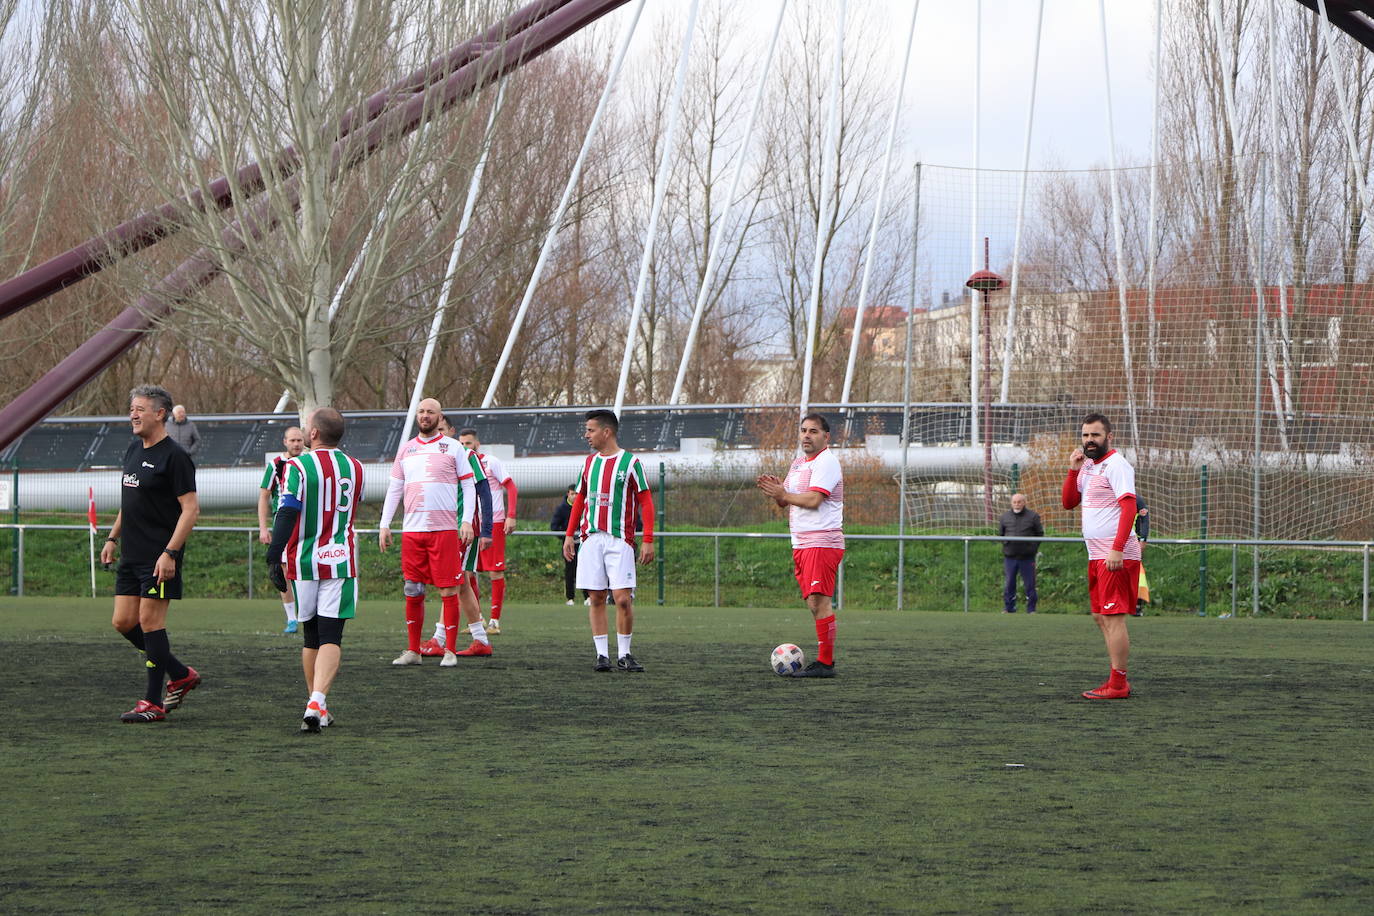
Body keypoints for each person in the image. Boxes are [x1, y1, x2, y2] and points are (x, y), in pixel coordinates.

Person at [99, 385, 201, 723]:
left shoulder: (175, 457)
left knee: (150, 622)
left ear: (160, 414)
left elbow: (190, 510)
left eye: (140, 408)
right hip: (132, 554)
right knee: (123, 622)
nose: (133, 414)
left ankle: (152, 702)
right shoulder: (132, 449)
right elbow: (131, 502)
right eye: (132, 408)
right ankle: (180, 674)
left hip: (160, 556)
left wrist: (170, 552)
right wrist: (112, 538)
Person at [263, 408, 364, 732]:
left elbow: (288, 510)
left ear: (315, 434)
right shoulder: (357, 468)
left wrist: (273, 554)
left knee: (311, 636)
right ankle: (317, 703)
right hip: (340, 558)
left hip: (304, 560)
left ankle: (316, 703)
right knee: (331, 635)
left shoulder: (298, 466)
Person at [380, 399, 493, 666]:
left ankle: (450, 651)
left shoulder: (454, 448)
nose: (425, 416)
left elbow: (469, 486)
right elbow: (395, 488)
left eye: (430, 412)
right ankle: (413, 651)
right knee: (412, 588)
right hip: (412, 531)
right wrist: (385, 523)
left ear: (440, 417)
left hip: (444, 531)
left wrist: (466, 521)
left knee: (449, 588)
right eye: (421, 411)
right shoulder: (406, 449)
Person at [562, 409, 655, 672]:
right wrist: (570, 534)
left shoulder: (631, 463)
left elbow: (646, 501)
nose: (586, 435)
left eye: (590, 430)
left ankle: (624, 653)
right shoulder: (589, 463)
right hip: (591, 539)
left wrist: (647, 539)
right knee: (596, 597)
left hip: (620, 540)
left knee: (623, 599)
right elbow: (579, 499)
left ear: (607, 432)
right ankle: (602, 655)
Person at [757, 413, 844, 678]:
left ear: (826, 437)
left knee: (820, 601)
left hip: (822, 541)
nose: (806, 435)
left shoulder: (827, 461)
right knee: (812, 603)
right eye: (803, 430)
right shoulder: (797, 464)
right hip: (802, 543)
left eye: (813, 431)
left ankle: (825, 663)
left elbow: (815, 499)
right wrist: (778, 492)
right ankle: (824, 660)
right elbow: (788, 500)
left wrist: (785, 494)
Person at [1061, 412, 1140, 700]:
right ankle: (1115, 677)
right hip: (1096, 554)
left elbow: (1129, 508)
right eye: (1085, 435)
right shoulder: (1088, 466)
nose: (1089, 440)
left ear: (1109, 436)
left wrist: (1118, 548)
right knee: (1099, 616)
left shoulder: (1116, 465)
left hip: (1114, 553)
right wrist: (1072, 469)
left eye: (1095, 435)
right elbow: (1069, 502)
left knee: (1113, 617)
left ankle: (1118, 683)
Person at [457, 427, 519, 635]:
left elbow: (511, 487)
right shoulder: (458, 464)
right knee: (468, 571)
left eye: (468, 443)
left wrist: (511, 515)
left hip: (494, 523)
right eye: (462, 443)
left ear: (477, 444)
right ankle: (478, 618)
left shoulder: (491, 462)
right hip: (471, 524)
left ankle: (495, 621)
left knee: (495, 571)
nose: (465, 447)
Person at [257, 425, 307, 633]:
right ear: (285, 442)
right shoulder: (276, 464)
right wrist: (263, 528)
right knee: (284, 569)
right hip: (283, 522)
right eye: (292, 440)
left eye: (299, 440)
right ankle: (291, 618)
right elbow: (264, 496)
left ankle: (307, 613)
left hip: (306, 522)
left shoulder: (308, 462)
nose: (296, 443)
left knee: (304, 567)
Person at [998, 492, 1043, 614]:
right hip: (1010, 557)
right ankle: (1009, 608)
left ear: (1024, 502)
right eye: (1014, 502)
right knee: (1009, 583)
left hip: (1027, 557)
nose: (1017, 504)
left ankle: (1031, 609)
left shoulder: (1033, 516)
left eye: (1019, 502)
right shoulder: (1005, 517)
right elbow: (1001, 534)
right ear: (1011, 503)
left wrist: (1032, 548)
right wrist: (1007, 545)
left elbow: (1040, 534)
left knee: (1030, 584)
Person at [550, 484, 586, 605]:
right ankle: (570, 598)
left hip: (583, 545)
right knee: (570, 571)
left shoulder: (586, 507)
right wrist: (566, 537)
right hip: (569, 546)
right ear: (568, 494)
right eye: (572, 494)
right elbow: (554, 526)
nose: (575, 496)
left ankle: (588, 597)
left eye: (577, 493)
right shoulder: (562, 509)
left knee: (585, 570)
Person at [1132, 499, 1150, 616]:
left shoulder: (1137, 501)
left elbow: (1145, 520)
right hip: (1114, 542)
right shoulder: (1111, 498)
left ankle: (1137, 606)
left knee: (1137, 574)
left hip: (1133, 543)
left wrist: (1143, 540)